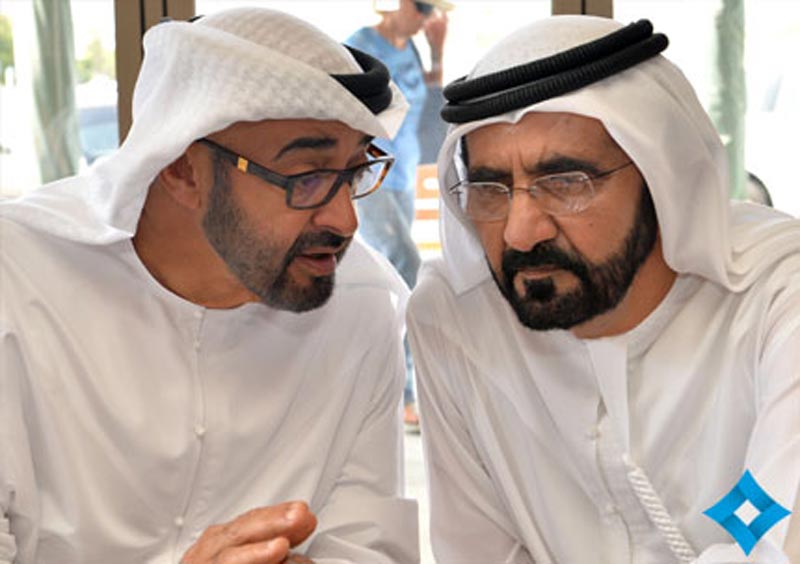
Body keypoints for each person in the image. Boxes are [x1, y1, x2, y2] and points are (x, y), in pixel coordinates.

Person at [0, 8, 419, 563]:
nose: (346, 220)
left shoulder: (361, 302)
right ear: (181, 168)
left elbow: (368, 543)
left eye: (355, 171)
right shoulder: (16, 278)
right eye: (307, 177)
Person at [407, 16, 800, 564]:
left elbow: (778, 550)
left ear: (660, 176)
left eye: (565, 183)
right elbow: (479, 552)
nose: (520, 232)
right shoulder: (454, 317)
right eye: (491, 188)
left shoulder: (779, 295)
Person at [346, 0, 451, 431]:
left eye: (430, 11)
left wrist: (437, 52)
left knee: (394, 278)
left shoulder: (411, 49)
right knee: (407, 265)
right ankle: (405, 392)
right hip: (373, 177)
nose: (425, 17)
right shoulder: (360, 46)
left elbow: (429, 103)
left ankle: (387, 384)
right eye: (421, 6)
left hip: (403, 176)